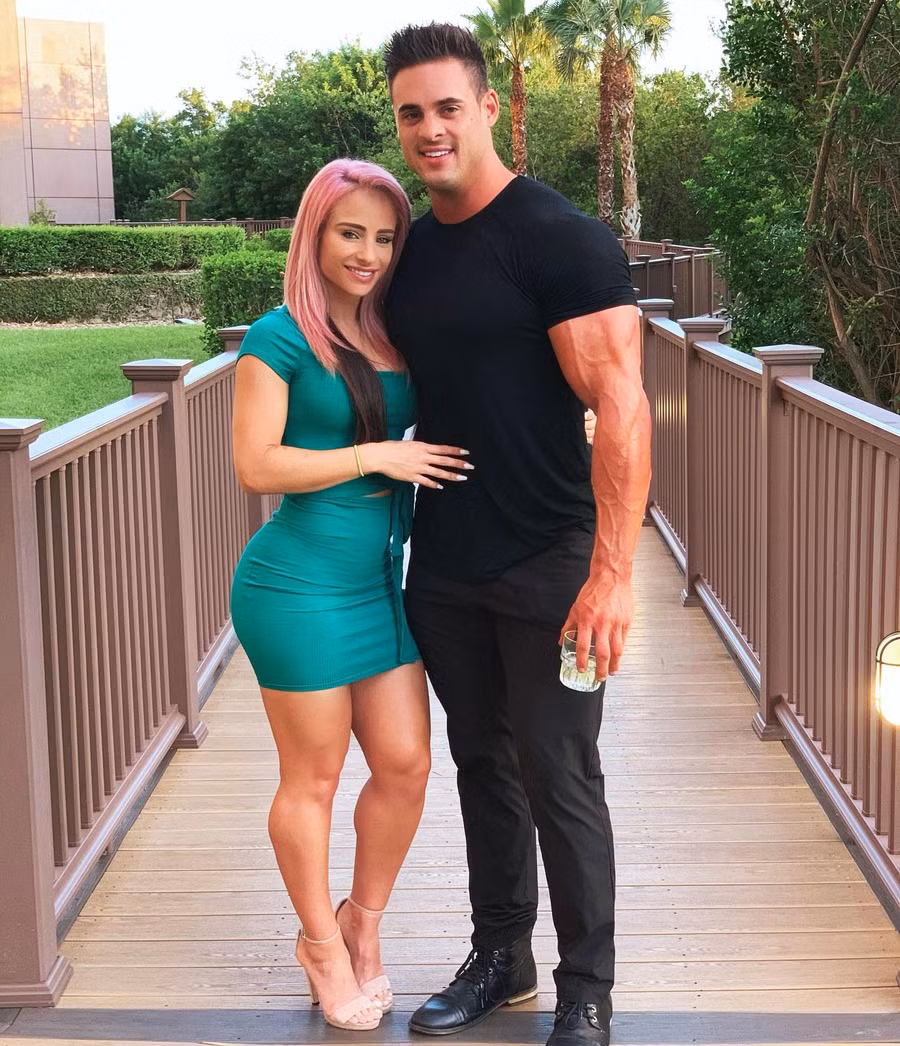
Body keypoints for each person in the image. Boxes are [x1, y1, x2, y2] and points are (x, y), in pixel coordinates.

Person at [382, 24, 652, 1046]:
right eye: (411, 112)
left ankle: (587, 988)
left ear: (487, 107)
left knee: (559, 771)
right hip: (445, 560)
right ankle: (503, 957)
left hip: (552, 559)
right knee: (482, 764)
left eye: (448, 107)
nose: (430, 128)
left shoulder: (559, 237)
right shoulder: (411, 251)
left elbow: (622, 405)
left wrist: (612, 573)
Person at [229, 158, 472, 1031]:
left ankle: (360, 923)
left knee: (406, 764)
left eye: (384, 237)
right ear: (316, 235)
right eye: (350, 233)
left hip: (379, 584)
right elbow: (257, 464)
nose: (368, 253)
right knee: (316, 777)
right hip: (296, 586)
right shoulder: (279, 339)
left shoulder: (395, 332)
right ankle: (320, 945)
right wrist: (375, 456)